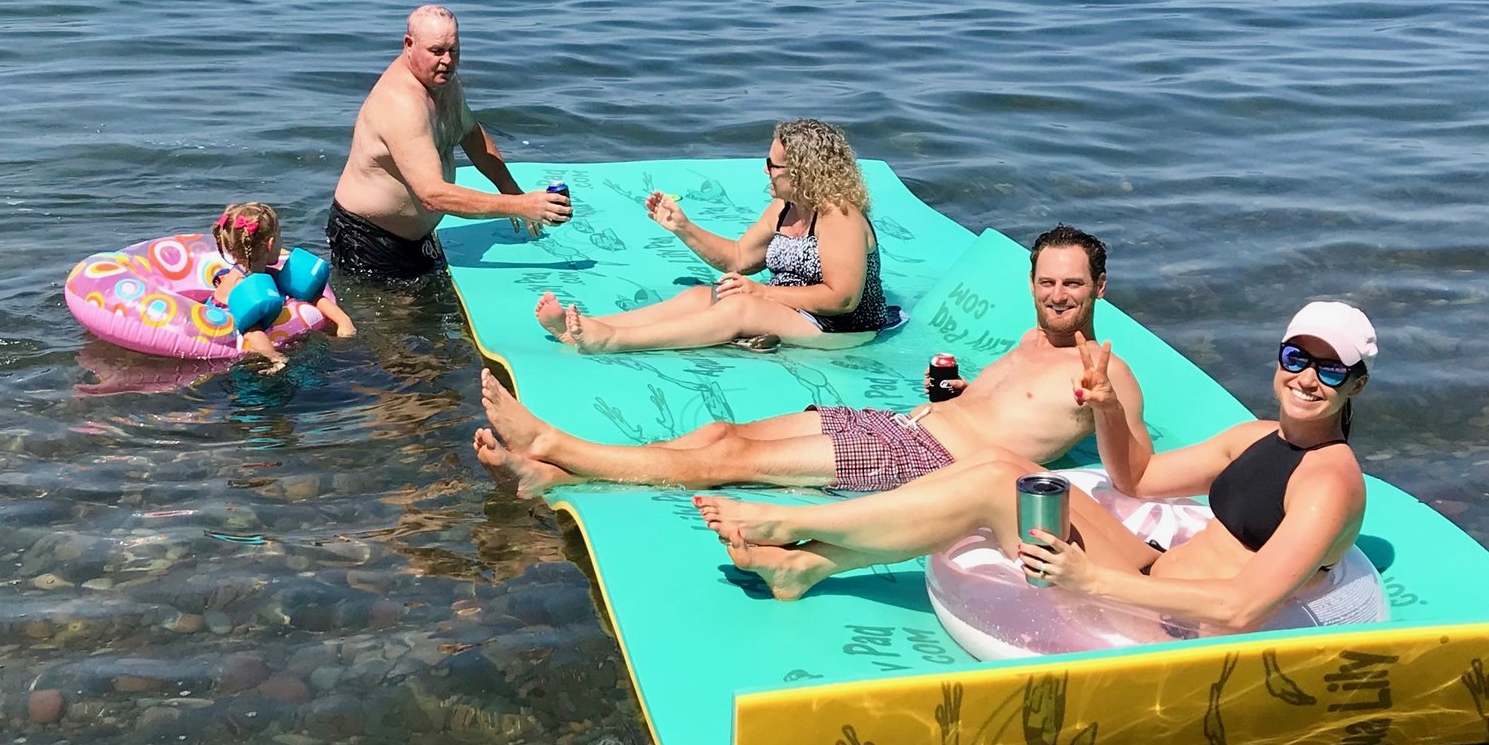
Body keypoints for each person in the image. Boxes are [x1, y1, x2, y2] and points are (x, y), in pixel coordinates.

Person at [708, 301, 1380, 629]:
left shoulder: (1329, 478)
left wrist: (1091, 579)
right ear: (1279, 361)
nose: (1307, 378)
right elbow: (1135, 480)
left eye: (1330, 368)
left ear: (1355, 384)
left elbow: (1238, 605)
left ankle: (790, 524)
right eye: (1297, 358)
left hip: (1174, 621)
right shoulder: (1258, 436)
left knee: (998, 483)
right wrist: (1108, 407)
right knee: (1006, 463)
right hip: (1148, 564)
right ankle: (810, 563)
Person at [476, 225, 1147, 496]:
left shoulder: (1107, 373)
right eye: (1048, 281)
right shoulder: (1030, 341)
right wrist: (956, 392)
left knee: (732, 460)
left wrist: (1110, 408)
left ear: (1099, 287)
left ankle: (555, 443)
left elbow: (1136, 472)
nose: (1058, 295)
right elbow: (1012, 413)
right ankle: (557, 474)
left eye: (1074, 284)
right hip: (901, 424)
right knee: (722, 434)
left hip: (924, 466)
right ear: (1032, 282)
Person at [537, 120, 891, 352]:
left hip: (843, 327)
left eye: (773, 165)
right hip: (794, 309)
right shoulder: (786, 207)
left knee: (738, 306)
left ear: (802, 171)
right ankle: (587, 325)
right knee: (700, 296)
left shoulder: (837, 215)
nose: (765, 170)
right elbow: (739, 257)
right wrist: (684, 228)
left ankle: (613, 340)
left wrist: (762, 292)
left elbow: (842, 298)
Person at [328, 6, 569, 283]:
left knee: (428, 315)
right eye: (436, 51)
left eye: (453, 51)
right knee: (400, 323)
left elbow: (470, 134)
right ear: (409, 45)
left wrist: (511, 189)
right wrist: (521, 206)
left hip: (417, 237)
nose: (447, 61)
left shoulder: (444, 81)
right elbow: (433, 195)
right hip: (368, 239)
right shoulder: (401, 105)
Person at [208, 200, 356, 369]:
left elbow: (310, 295)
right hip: (231, 333)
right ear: (271, 244)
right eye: (280, 237)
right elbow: (252, 331)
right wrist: (275, 358)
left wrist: (343, 320)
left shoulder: (264, 273)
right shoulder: (244, 285)